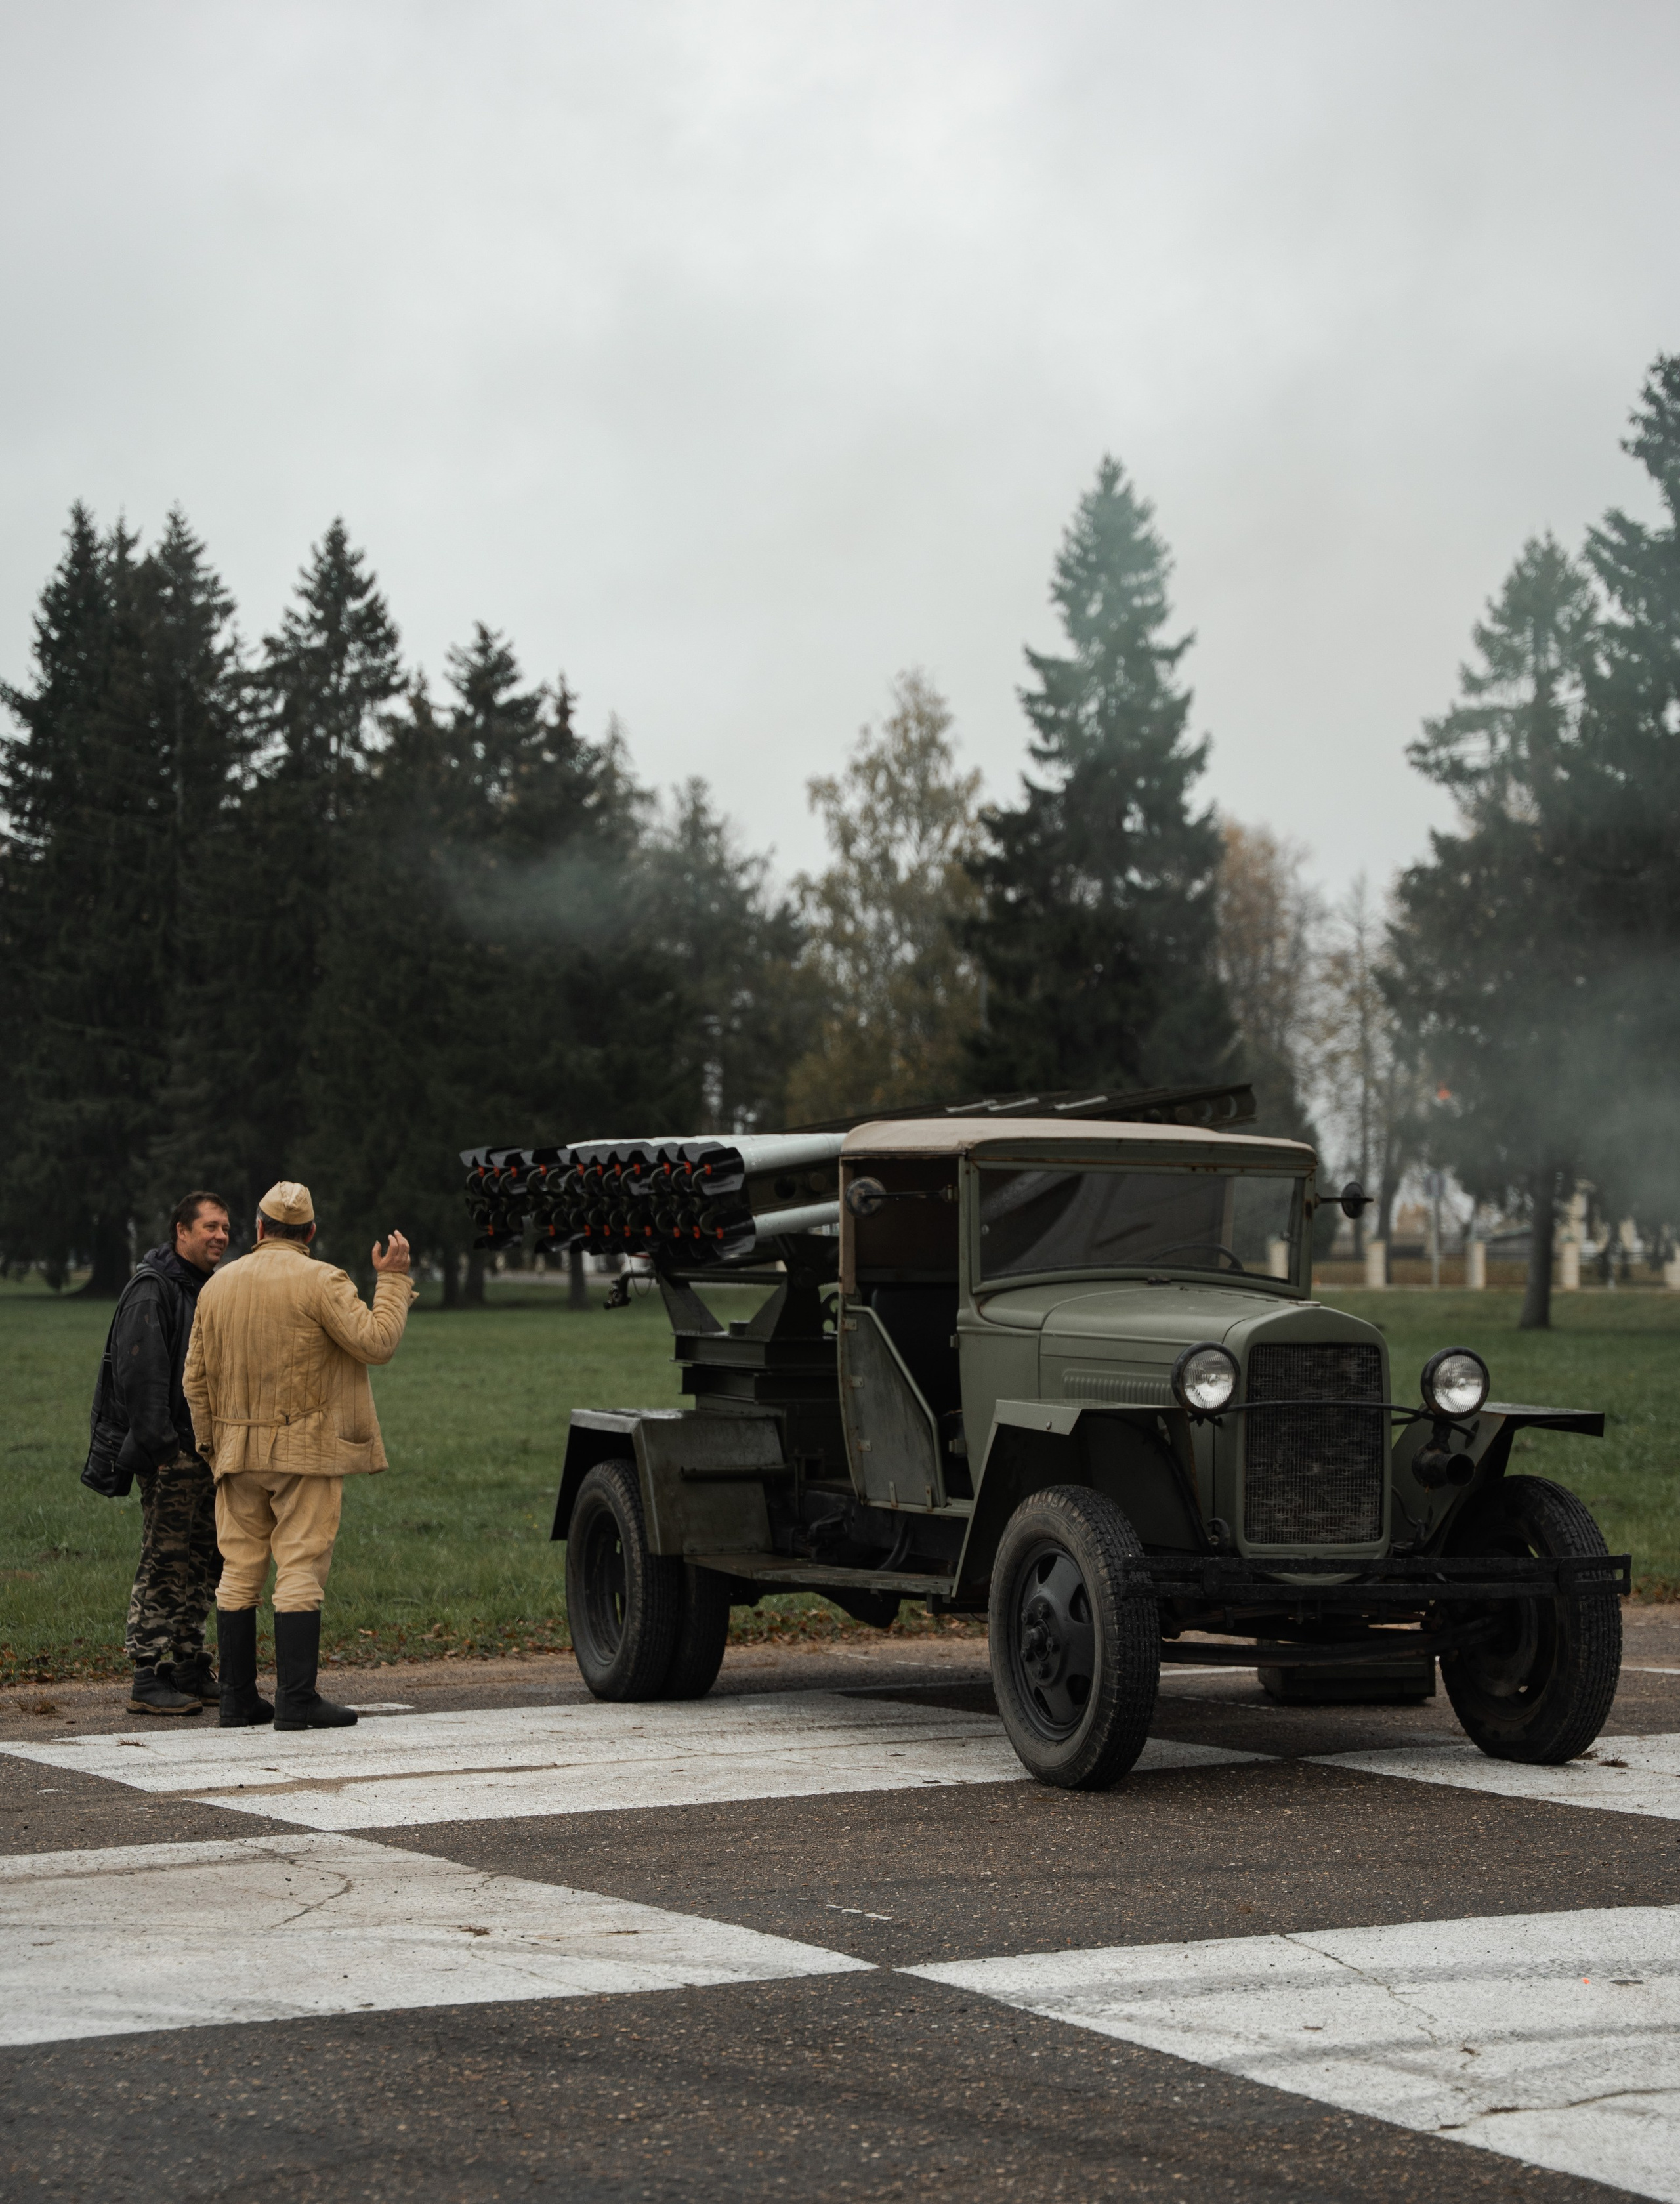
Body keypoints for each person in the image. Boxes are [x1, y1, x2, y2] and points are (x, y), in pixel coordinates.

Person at [184, 1180, 414, 1731]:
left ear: (259, 1230)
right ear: (310, 1233)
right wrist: (393, 1279)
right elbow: (377, 1344)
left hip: (237, 1450)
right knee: (301, 1568)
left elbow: (195, 1379)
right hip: (306, 1451)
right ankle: (296, 1701)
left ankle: (237, 1700)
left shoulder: (218, 1286)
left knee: (238, 1572)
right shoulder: (322, 1279)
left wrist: (213, 1446)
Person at [83, 1191, 233, 1716]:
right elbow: (140, 1378)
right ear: (181, 1231)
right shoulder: (153, 1290)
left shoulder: (207, 1288)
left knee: (202, 1564)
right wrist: (165, 1450)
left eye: (226, 1228)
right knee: (164, 1562)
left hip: (207, 1453)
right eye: (210, 1226)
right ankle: (146, 1674)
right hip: (173, 1456)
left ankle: (190, 1665)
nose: (220, 1235)